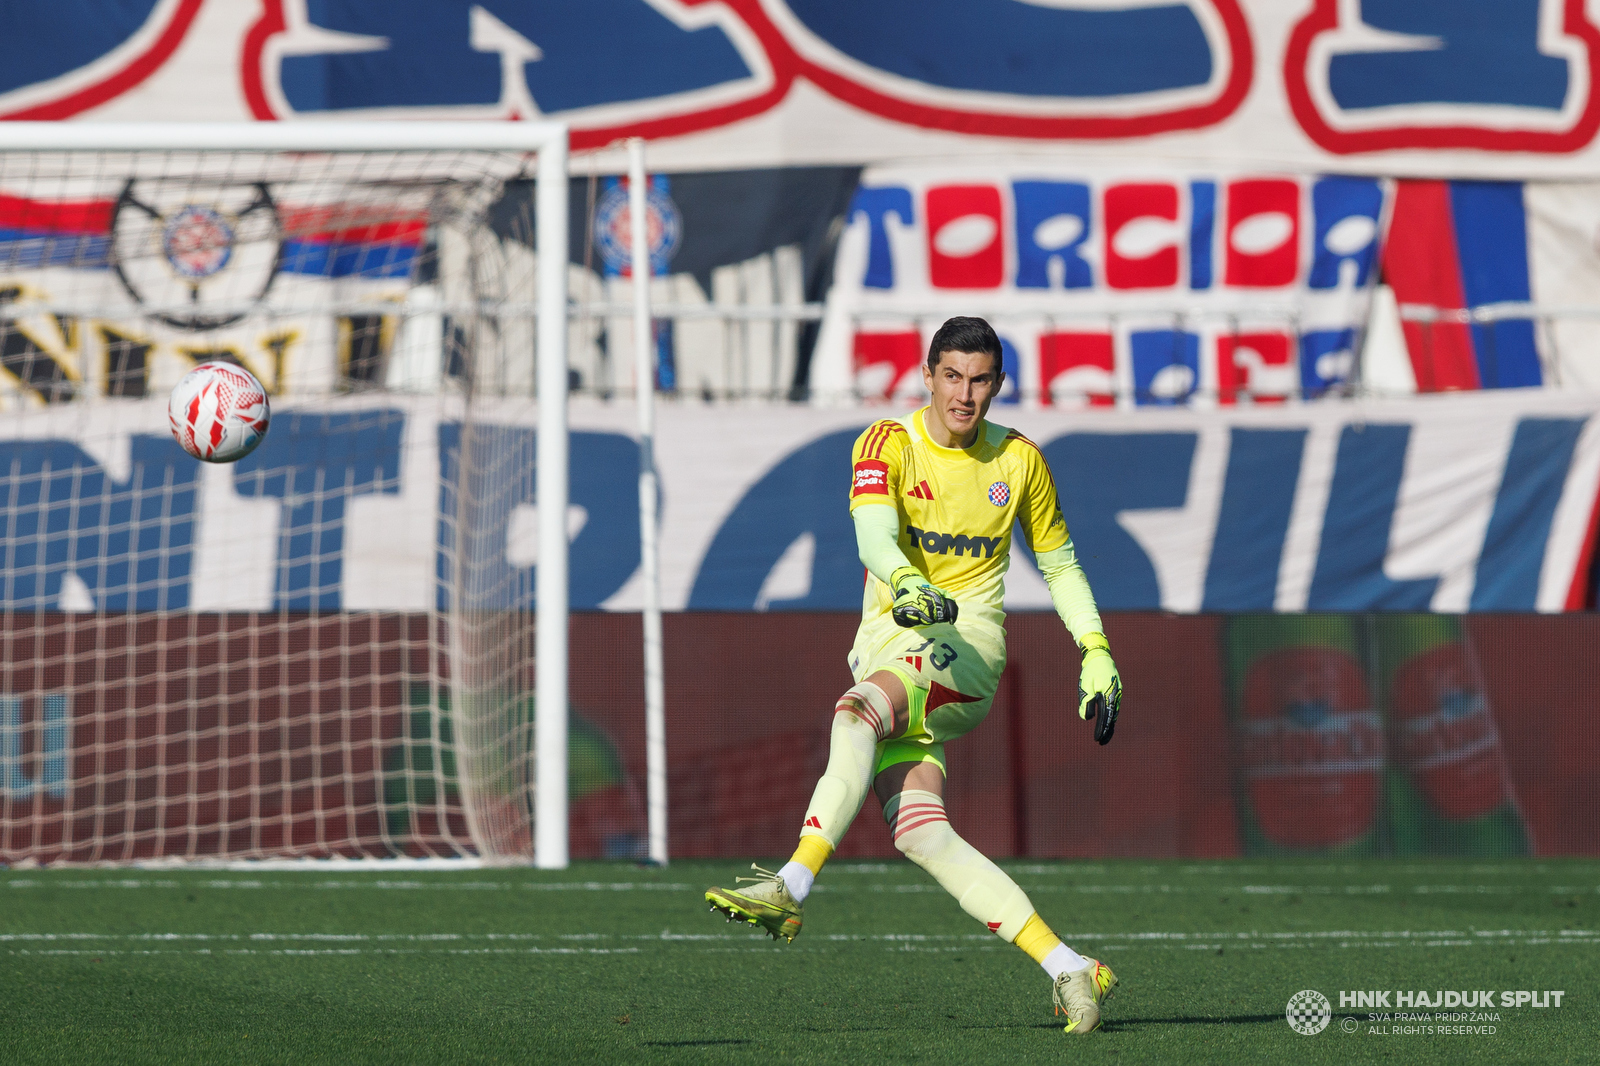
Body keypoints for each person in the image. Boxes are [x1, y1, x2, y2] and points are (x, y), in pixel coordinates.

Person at [704, 316, 1125, 1035]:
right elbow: (873, 531)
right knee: (921, 833)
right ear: (927, 376)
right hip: (891, 639)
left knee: (858, 713)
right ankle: (1068, 967)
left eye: (981, 379)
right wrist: (902, 580)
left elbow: (1059, 563)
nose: (965, 394)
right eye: (953, 376)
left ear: (998, 384)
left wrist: (1095, 649)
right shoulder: (887, 443)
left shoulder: (1020, 461)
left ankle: (791, 880)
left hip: (967, 646)